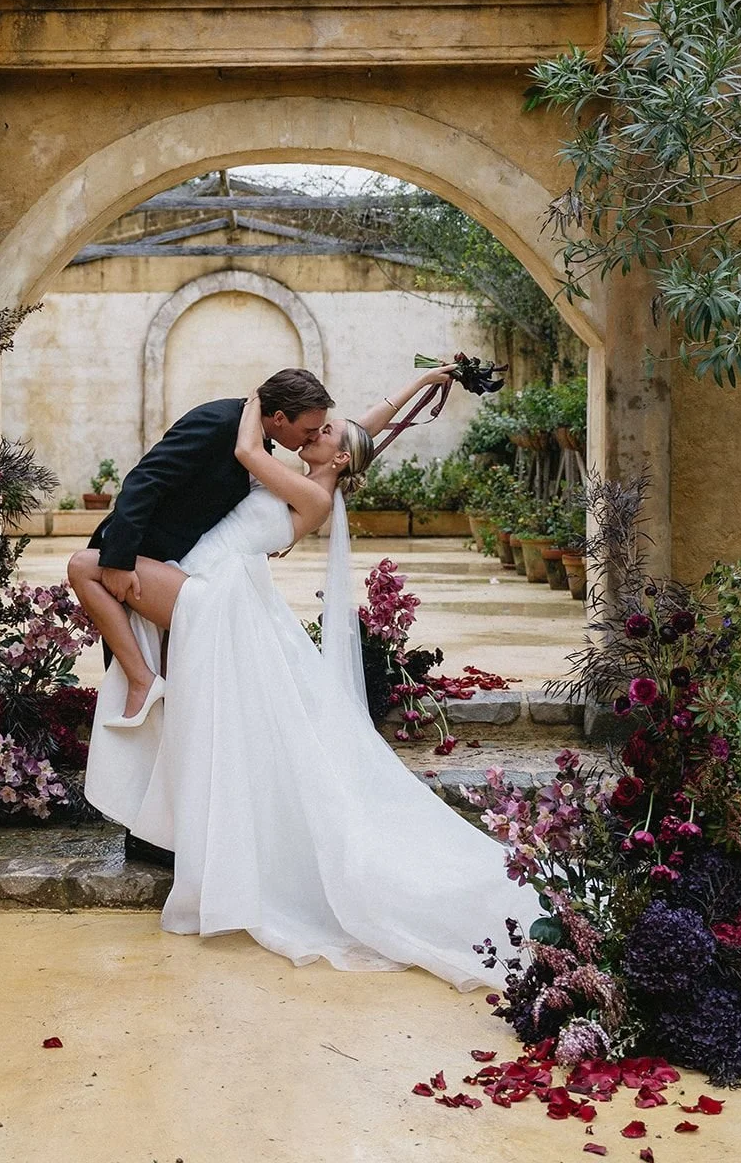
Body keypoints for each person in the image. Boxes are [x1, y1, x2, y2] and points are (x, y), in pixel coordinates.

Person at [70, 370, 540, 988]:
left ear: (337, 454)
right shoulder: (320, 466)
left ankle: (142, 690)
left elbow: (246, 452)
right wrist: (429, 379)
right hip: (220, 596)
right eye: (317, 424)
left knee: (87, 567)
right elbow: (374, 420)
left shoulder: (309, 492)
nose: (320, 432)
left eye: (327, 432)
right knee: (220, 734)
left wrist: (254, 408)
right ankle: (167, 798)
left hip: (219, 603)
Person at [84, 369, 334, 721]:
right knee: (132, 676)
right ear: (279, 418)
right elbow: (145, 480)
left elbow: (353, 443)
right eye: (308, 430)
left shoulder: (256, 443)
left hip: (192, 577)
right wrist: (120, 559)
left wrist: (419, 387)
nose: (311, 438)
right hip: (141, 554)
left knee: (178, 688)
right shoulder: (219, 422)